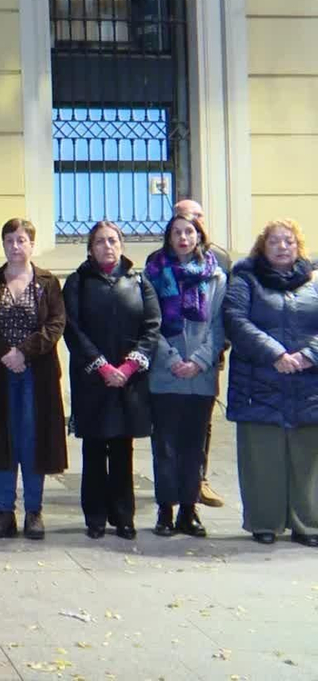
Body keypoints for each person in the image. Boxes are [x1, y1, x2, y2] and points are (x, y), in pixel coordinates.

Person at [63, 221, 161, 540]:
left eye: (113, 240)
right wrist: (102, 367)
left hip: (129, 380)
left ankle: (123, 516)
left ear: (122, 245)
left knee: (122, 449)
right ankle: (95, 517)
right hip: (93, 379)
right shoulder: (78, 282)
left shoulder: (139, 281)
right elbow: (72, 329)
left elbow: (152, 327)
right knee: (94, 449)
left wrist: (130, 366)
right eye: (100, 241)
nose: (108, 246)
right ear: (90, 248)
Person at [222, 219, 318, 546]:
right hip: (258, 384)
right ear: (262, 247)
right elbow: (235, 320)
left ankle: (308, 524)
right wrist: (275, 354)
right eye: (274, 241)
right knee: (262, 457)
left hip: (308, 384)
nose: (282, 247)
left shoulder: (314, 281)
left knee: (308, 458)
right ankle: (265, 522)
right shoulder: (245, 279)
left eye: (288, 241)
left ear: (298, 246)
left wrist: (309, 355)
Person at [0, 218, 67, 541]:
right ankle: (4, 511)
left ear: (32, 245)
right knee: (4, 440)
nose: (15, 246)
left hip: (37, 375)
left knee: (32, 441)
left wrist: (24, 352)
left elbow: (55, 324)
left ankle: (34, 511)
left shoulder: (48, 283)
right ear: (3, 244)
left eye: (21, 240)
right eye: (9, 240)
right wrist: (6, 353)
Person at [144, 214, 225, 538]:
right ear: (168, 238)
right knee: (165, 446)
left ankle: (189, 511)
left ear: (199, 236)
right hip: (165, 375)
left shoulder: (215, 275)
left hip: (201, 376)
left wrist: (200, 360)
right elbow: (150, 323)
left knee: (194, 447)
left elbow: (219, 325)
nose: (183, 238)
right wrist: (172, 359)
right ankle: (165, 510)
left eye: (189, 232)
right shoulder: (153, 274)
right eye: (176, 232)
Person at [173, 198, 230, 509]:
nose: (195, 221)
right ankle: (175, 482)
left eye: (199, 216)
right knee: (171, 424)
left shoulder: (219, 259)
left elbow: (227, 311)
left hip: (208, 356)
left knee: (202, 423)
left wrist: (211, 352)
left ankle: (200, 479)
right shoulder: (160, 260)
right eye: (186, 216)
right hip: (171, 358)